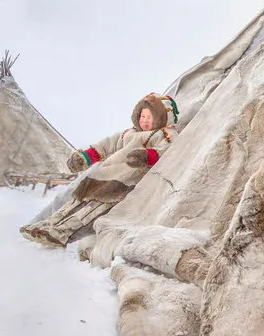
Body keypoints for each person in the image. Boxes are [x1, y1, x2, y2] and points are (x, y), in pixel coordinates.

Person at [20, 92, 179, 247]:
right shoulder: (128, 133)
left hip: (124, 180)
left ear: (160, 117)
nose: (144, 121)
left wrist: (145, 156)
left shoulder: (165, 134)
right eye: (142, 116)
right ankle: (46, 226)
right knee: (75, 201)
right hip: (103, 174)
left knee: (90, 210)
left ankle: (61, 232)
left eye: (149, 117)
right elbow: (107, 145)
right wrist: (86, 157)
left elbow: (165, 151)